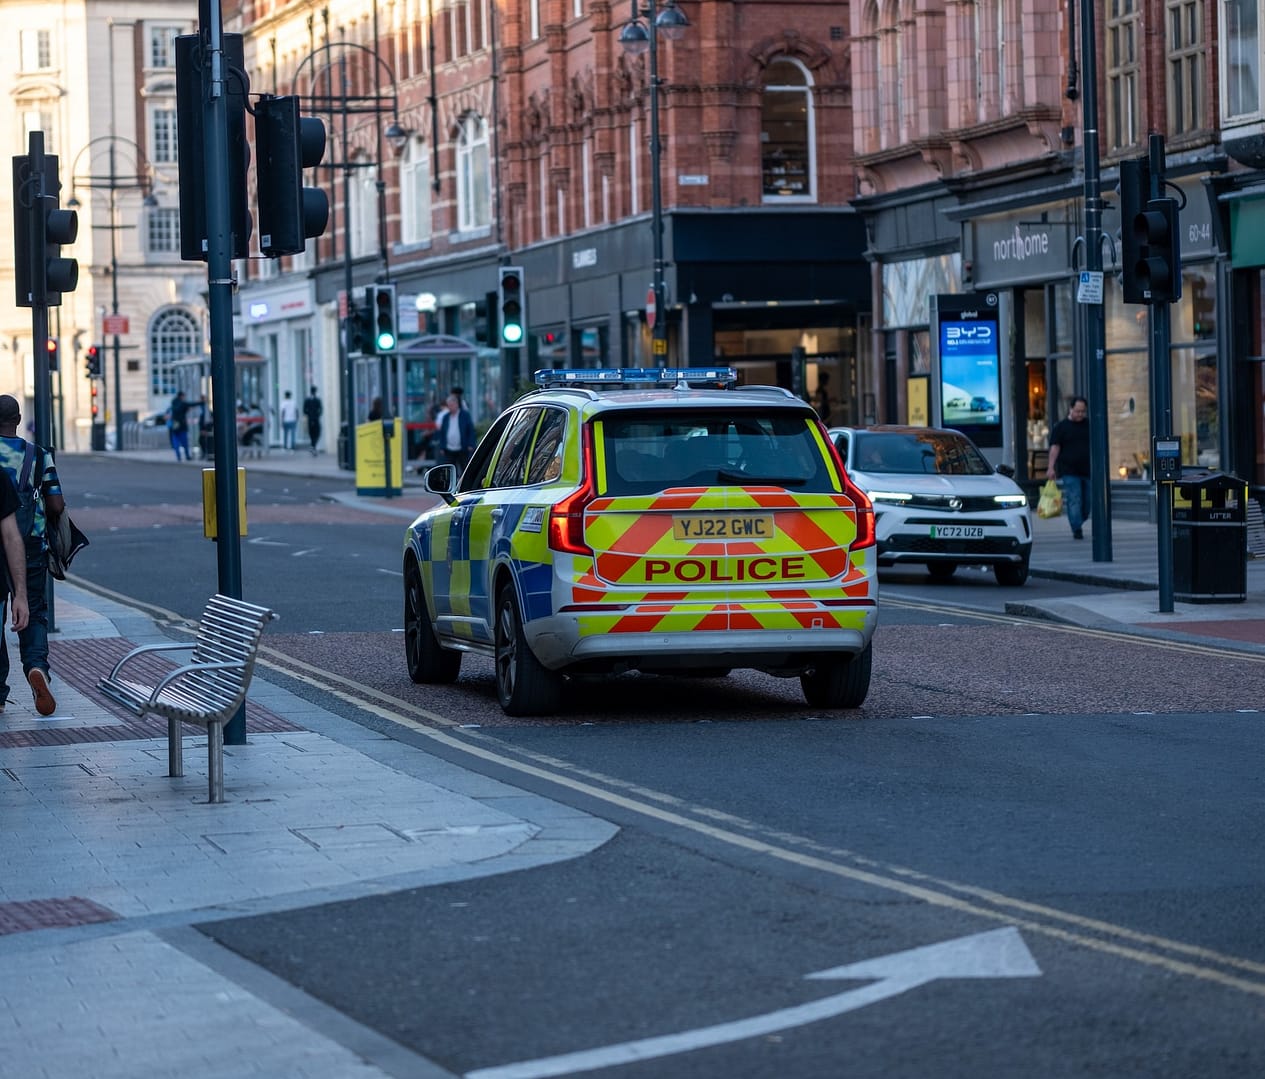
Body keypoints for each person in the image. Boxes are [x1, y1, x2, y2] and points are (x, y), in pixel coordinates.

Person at [0, 396, 51, 714]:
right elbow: (56, 503)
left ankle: (0, 691)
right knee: (33, 609)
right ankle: (36, 667)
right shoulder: (38, 455)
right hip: (30, 543)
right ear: (19, 419)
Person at [1047, 395, 1091, 540]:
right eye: (1077, 411)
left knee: (1087, 502)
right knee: (1074, 498)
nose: (1080, 414)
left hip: (1088, 470)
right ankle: (1076, 529)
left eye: (1083, 411)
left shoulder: (1089, 425)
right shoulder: (1061, 427)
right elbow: (1055, 448)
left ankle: (1079, 520)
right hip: (1069, 471)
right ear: (1071, 409)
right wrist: (1051, 467)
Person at [437, 393, 476, 471]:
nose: (450, 407)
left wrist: (471, 444)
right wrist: (442, 446)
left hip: (462, 448)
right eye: (449, 405)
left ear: (456, 404)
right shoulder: (446, 417)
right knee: (450, 469)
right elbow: (442, 433)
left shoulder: (464, 415)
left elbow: (470, 430)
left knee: (464, 468)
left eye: (451, 405)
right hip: (449, 449)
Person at [168, 391, 191, 461]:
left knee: (176, 441)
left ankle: (178, 456)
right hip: (181, 425)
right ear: (181, 396)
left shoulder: (173, 403)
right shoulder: (182, 404)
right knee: (184, 441)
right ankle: (187, 456)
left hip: (175, 424)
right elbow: (190, 405)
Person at [303, 386, 323, 455]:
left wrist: (309, 414)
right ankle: (313, 446)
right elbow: (321, 409)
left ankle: (313, 446)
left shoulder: (308, 400)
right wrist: (317, 414)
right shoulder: (317, 400)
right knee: (315, 433)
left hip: (312, 419)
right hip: (314, 419)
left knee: (314, 433)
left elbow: (304, 410)